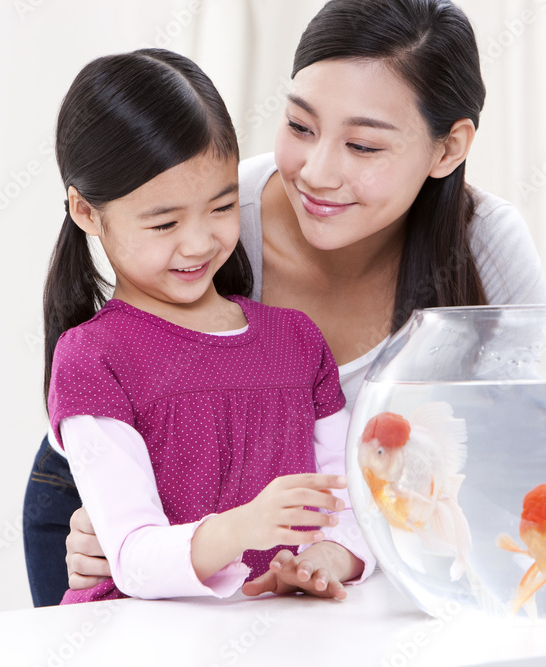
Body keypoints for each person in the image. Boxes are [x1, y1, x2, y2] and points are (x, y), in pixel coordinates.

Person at [25, 0, 546, 605]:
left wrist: (339, 551)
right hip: (107, 516)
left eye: (364, 146)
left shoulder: (485, 249)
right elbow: (134, 521)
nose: (318, 173)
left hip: (310, 553)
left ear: (448, 148)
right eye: (300, 126)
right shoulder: (223, 214)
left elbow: (515, 455)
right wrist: (132, 540)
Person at [38, 47, 374, 605]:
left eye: (220, 209)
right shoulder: (93, 359)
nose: (198, 243)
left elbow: (354, 504)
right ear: (87, 213)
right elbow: (131, 558)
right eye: (165, 221)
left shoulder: (296, 339)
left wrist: (321, 561)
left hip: (280, 635)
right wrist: (243, 528)